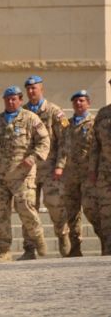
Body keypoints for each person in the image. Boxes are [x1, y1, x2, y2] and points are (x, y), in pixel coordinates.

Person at [0, 86, 50, 262]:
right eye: (7, 99)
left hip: (22, 174)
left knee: (26, 208)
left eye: (14, 98)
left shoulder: (30, 118)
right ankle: (4, 250)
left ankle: (37, 236)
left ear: (20, 100)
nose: (10, 101)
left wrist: (33, 158)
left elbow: (44, 141)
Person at [23, 75, 70, 258]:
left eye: (34, 88)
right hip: (30, 169)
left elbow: (65, 140)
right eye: (28, 88)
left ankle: (63, 237)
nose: (30, 91)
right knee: (28, 208)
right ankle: (29, 248)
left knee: (55, 205)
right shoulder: (23, 112)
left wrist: (60, 165)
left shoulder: (54, 111)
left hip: (51, 168)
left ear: (41, 89)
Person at [55, 90, 103, 256]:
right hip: (70, 175)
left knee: (91, 209)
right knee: (71, 212)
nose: (78, 103)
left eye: (82, 100)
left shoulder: (94, 122)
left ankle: (106, 242)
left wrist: (95, 170)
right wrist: (59, 166)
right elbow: (62, 148)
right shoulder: (67, 125)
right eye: (75, 101)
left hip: (88, 174)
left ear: (88, 103)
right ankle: (75, 248)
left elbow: (97, 148)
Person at [89, 78, 111, 256]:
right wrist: (92, 169)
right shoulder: (103, 114)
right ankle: (108, 247)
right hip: (105, 171)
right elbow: (95, 145)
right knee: (105, 210)